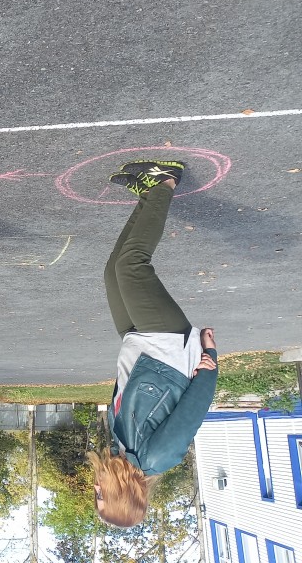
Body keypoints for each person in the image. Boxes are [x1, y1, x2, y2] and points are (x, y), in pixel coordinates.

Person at [87, 160, 218, 527]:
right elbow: (192, 412)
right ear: (121, 493)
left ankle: (148, 196)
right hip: (166, 347)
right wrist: (209, 357)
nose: (95, 488)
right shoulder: (157, 457)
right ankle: (164, 183)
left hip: (139, 343)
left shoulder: (122, 450)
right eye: (102, 495)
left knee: (114, 270)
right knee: (132, 265)